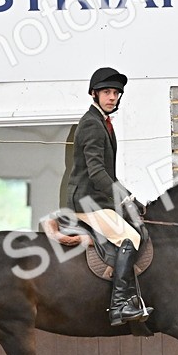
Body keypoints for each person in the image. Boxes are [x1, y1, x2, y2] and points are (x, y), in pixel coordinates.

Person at [61, 67, 151, 325]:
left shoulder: (103, 122)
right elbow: (97, 172)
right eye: (107, 92)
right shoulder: (92, 124)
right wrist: (123, 199)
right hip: (87, 201)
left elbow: (109, 175)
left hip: (97, 199)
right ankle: (119, 305)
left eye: (116, 93)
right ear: (94, 94)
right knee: (130, 237)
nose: (112, 97)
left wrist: (131, 198)